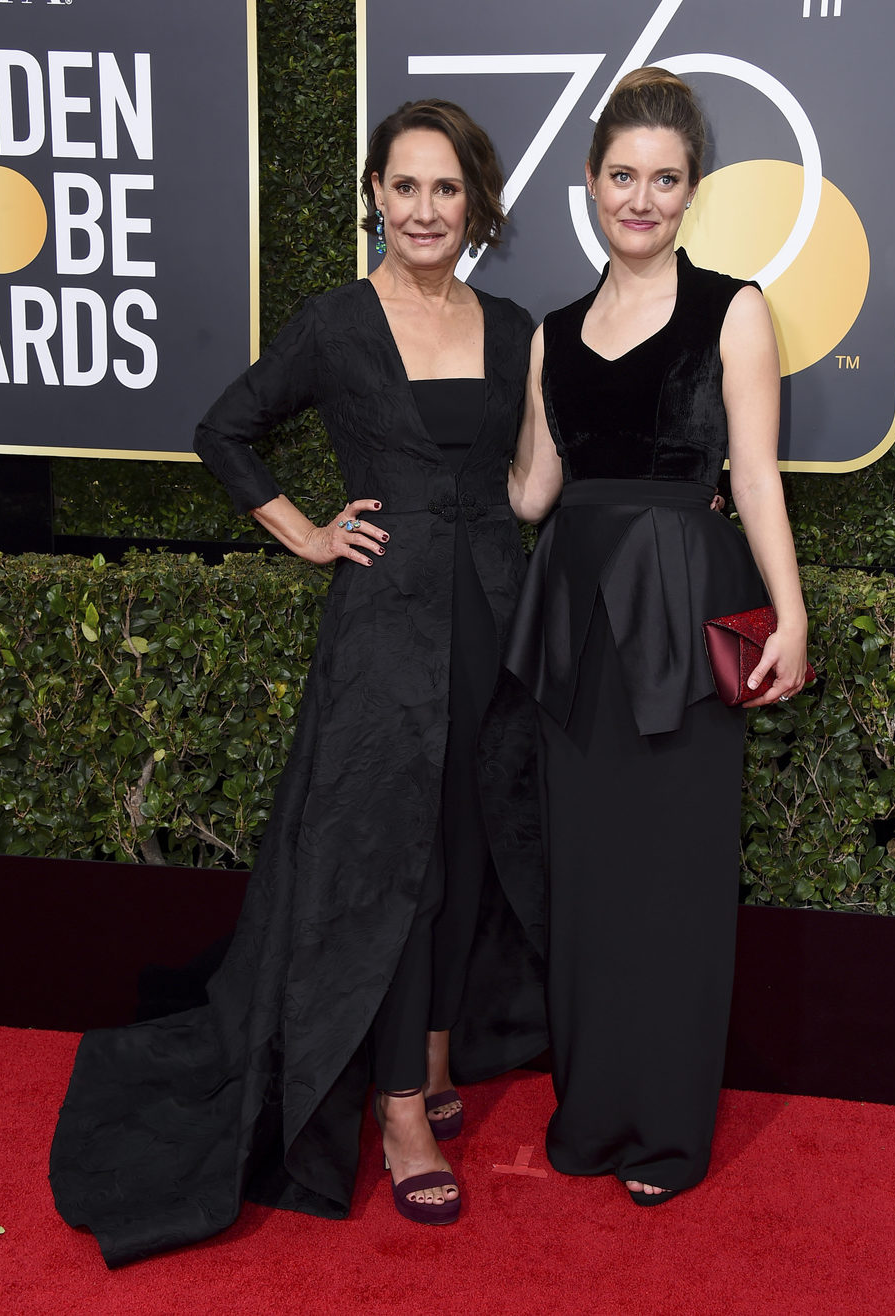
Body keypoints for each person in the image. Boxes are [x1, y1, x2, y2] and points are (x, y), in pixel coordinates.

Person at [49, 99, 546, 1264]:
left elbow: (538, 469)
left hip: (492, 612)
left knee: (473, 840)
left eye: (447, 189)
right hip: (384, 631)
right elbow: (225, 429)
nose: (425, 209)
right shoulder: (336, 322)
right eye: (405, 186)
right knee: (393, 860)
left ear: (474, 204)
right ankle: (393, 1109)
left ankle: (431, 1048)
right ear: (374, 193)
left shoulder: (514, 324)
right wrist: (306, 531)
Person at [506, 67, 809, 1205]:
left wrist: (791, 610)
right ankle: (590, 1113)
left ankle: (669, 1132)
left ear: (693, 192)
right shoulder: (550, 335)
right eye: (622, 175)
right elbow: (534, 491)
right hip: (576, 620)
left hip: (685, 612)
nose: (641, 197)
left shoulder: (734, 307)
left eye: (664, 180)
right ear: (590, 183)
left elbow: (758, 476)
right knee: (586, 879)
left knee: (674, 881)